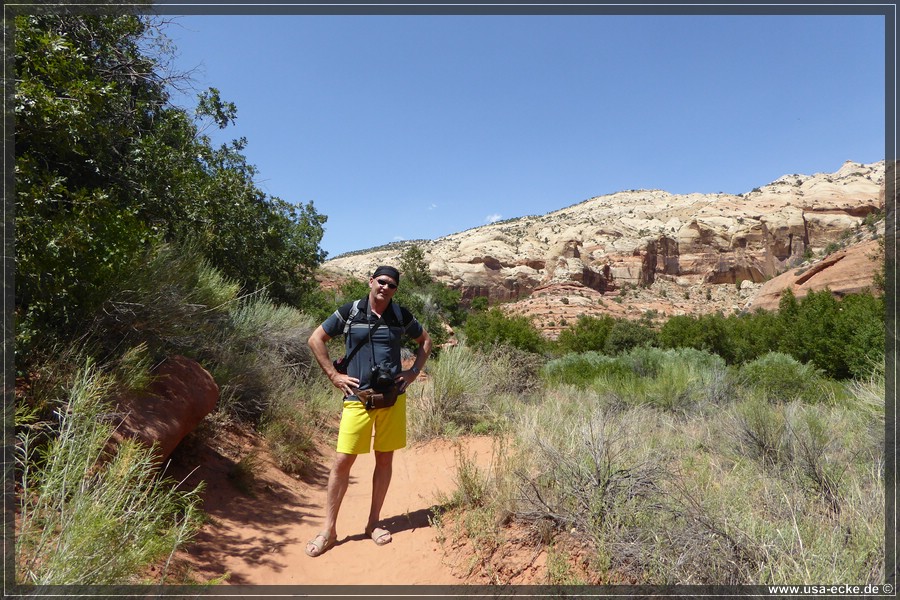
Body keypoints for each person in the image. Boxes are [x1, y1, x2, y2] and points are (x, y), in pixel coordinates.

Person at [305, 265, 432, 557]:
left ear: (395, 290)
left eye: (392, 285)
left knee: (384, 459)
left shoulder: (400, 316)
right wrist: (334, 376)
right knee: (342, 462)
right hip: (357, 398)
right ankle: (329, 530)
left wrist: (412, 372)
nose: (385, 287)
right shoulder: (350, 312)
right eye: (381, 281)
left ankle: (373, 523)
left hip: (391, 399)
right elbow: (316, 339)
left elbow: (425, 341)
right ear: (371, 281)